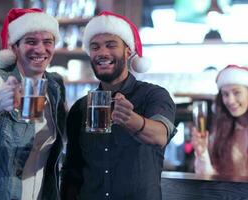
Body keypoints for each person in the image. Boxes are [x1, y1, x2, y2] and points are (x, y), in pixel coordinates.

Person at [61, 11, 176, 200]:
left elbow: (160, 136)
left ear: (128, 51)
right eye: (95, 47)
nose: (102, 53)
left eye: (111, 45)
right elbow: (72, 173)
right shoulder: (81, 108)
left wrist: (133, 121)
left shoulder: (153, 95)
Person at [0, 8, 67, 200]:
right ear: (14, 48)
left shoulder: (54, 87)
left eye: (47, 42)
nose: (40, 49)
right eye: (31, 42)